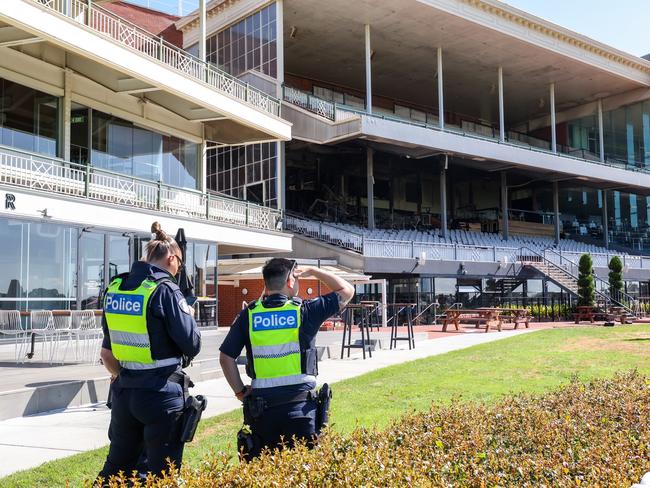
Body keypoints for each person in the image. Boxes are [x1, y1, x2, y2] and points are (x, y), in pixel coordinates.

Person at [219, 258, 354, 460]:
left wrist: (240, 391)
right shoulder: (305, 311)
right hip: (301, 411)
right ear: (291, 281)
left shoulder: (249, 314)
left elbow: (226, 357)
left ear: (265, 283)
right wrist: (314, 271)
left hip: (262, 413)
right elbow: (347, 291)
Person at [97, 222, 201, 482]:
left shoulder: (116, 287)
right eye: (180, 263)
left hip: (124, 394)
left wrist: (126, 376)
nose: (178, 270)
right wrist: (189, 315)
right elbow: (192, 344)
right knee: (162, 475)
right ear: (170, 258)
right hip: (160, 394)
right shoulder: (164, 289)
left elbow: (107, 352)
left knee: (117, 470)